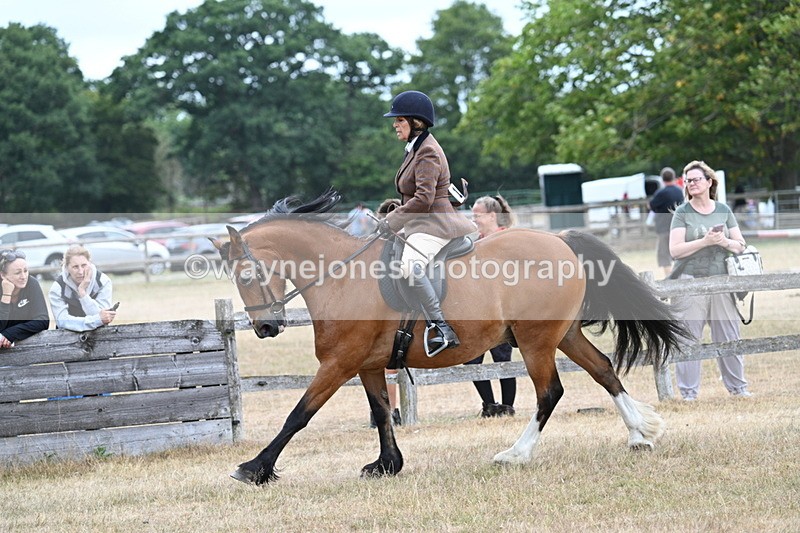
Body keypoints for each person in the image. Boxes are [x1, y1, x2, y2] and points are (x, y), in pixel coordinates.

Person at [379, 90, 476, 356]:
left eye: (400, 120)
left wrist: (392, 220)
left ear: (416, 122)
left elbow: (424, 199)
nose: (395, 124)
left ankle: (441, 327)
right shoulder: (416, 148)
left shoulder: (428, 151)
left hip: (435, 225)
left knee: (410, 266)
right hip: (421, 222)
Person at [669, 160, 751, 401]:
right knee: (688, 336)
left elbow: (740, 245)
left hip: (721, 280)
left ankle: (738, 389)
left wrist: (723, 242)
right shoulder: (682, 213)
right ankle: (688, 393)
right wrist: (704, 242)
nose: (691, 183)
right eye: (688, 181)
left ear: (709, 182)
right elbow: (675, 250)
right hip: (689, 280)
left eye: (696, 179)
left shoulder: (723, 210)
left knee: (728, 334)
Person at [467, 195, 517, 417]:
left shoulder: (506, 239)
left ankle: (507, 407)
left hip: (502, 311)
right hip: (477, 312)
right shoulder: (474, 242)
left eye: (477, 215)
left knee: (503, 359)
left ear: (492, 216)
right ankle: (489, 405)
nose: (474, 219)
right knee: (471, 359)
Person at [49, 245, 116, 331]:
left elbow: (104, 319)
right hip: (67, 335)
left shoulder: (103, 282)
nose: (80, 272)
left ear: (90, 264)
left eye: (84, 265)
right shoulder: (58, 288)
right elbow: (62, 322)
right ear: (67, 267)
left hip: (99, 333)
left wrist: (83, 294)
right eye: (75, 267)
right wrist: (96, 320)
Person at [1, 249, 50, 348]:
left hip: (25, 346)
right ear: (3, 275)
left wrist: (10, 334)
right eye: (17, 273)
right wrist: (6, 295)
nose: (23, 276)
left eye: (25, 271)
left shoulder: (32, 283)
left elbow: (43, 320)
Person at [648, 167, 684, 277]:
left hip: (663, 227)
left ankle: (669, 277)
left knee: (664, 254)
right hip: (678, 226)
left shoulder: (661, 193)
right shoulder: (680, 191)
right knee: (678, 252)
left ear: (662, 178)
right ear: (674, 177)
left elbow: (651, 206)